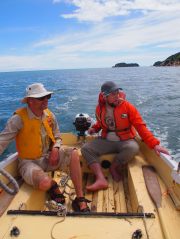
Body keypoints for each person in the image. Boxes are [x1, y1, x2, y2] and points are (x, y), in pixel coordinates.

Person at [0, 83, 90, 212]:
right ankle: (52, 185)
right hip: (29, 162)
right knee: (44, 184)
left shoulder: (49, 115)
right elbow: (3, 140)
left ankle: (80, 198)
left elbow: (58, 136)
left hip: (48, 157)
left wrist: (56, 148)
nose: (46, 100)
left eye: (47, 97)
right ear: (30, 101)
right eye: (41, 98)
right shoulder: (17, 119)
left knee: (74, 152)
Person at [81, 81, 169, 192]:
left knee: (133, 147)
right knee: (86, 149)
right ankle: (100, 178)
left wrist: (155, 144)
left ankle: (114, 167)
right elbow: (101, 122)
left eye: (118, 93)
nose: (117, 96)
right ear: (105, 96)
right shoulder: (99, 108)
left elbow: (140, 126)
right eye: (113, 94)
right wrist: (95, 128)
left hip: (125, 140)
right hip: (107, 140)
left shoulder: (128, 107)